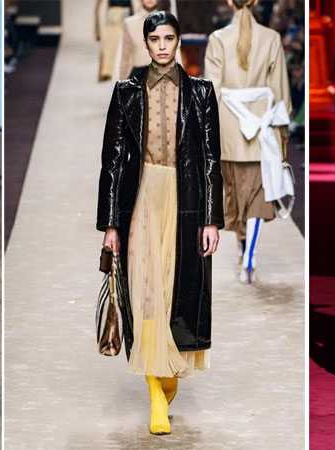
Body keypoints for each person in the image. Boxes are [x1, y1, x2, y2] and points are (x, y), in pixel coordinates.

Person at [96, 11, 223, 435]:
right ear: (146, 43)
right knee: (145, 288)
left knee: (176, 290)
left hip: (185, 200)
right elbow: (113, 161)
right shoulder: (126, 93)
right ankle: (155, 392)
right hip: (141, 198)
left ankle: (167, 375)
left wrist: (212, 220)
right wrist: (110, 224)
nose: (162, 46)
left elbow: (211, 159)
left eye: (169, 38)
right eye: (155, 39)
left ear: (178, 41)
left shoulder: (201, 93)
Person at [204, 0, 291, 284]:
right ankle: (249, 256)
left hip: (230, 130)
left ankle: (244, 249)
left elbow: (212, 90)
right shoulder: (271, 38)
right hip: (262, 127)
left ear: (229, 3)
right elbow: (280, 92)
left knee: (236, 196)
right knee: (256, 198)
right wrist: (282, 130)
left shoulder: (218, 39)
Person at [117, 0, 181, 80]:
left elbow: (175, 52)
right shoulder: (130, 23)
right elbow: (125, 56)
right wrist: (122, 82)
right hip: (138, 77)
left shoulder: (169, 22)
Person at [96, 0, 132, 81]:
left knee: (125, 45)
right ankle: (107, 71)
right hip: (114, 15)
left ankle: (117, 71)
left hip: (124, 14)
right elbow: (100, 8)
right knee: (110, 45)